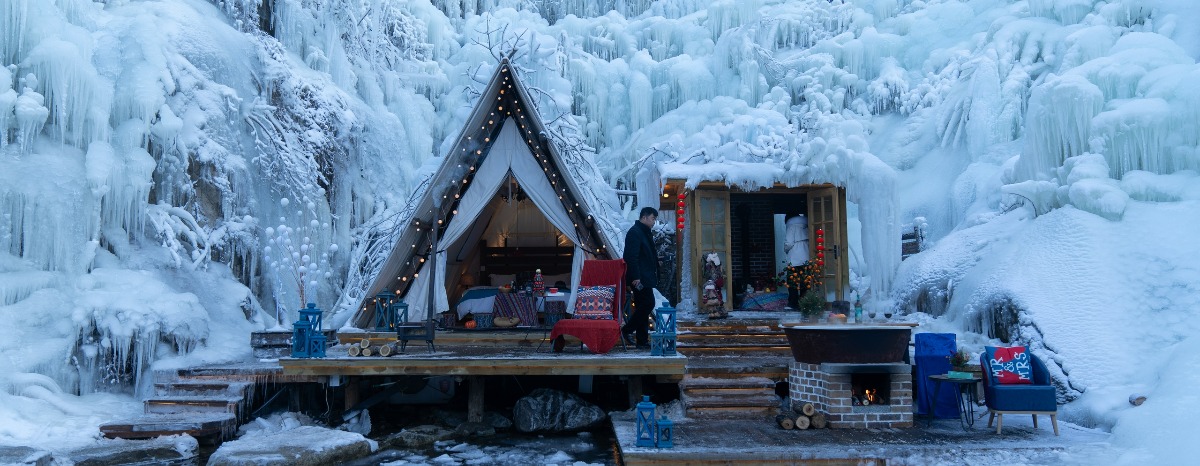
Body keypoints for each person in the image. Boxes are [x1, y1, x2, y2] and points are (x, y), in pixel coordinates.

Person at [622, 206, 659, 348]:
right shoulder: (635, 232)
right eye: (652, 218)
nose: (654, 221)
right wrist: (635, 276)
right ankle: (626, 330)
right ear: (644, 217)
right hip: (640, 278)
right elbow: (631, 256)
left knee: (643, 306)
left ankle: (642, 341)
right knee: (648, 304)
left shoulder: (643, 232)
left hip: (645, 276)